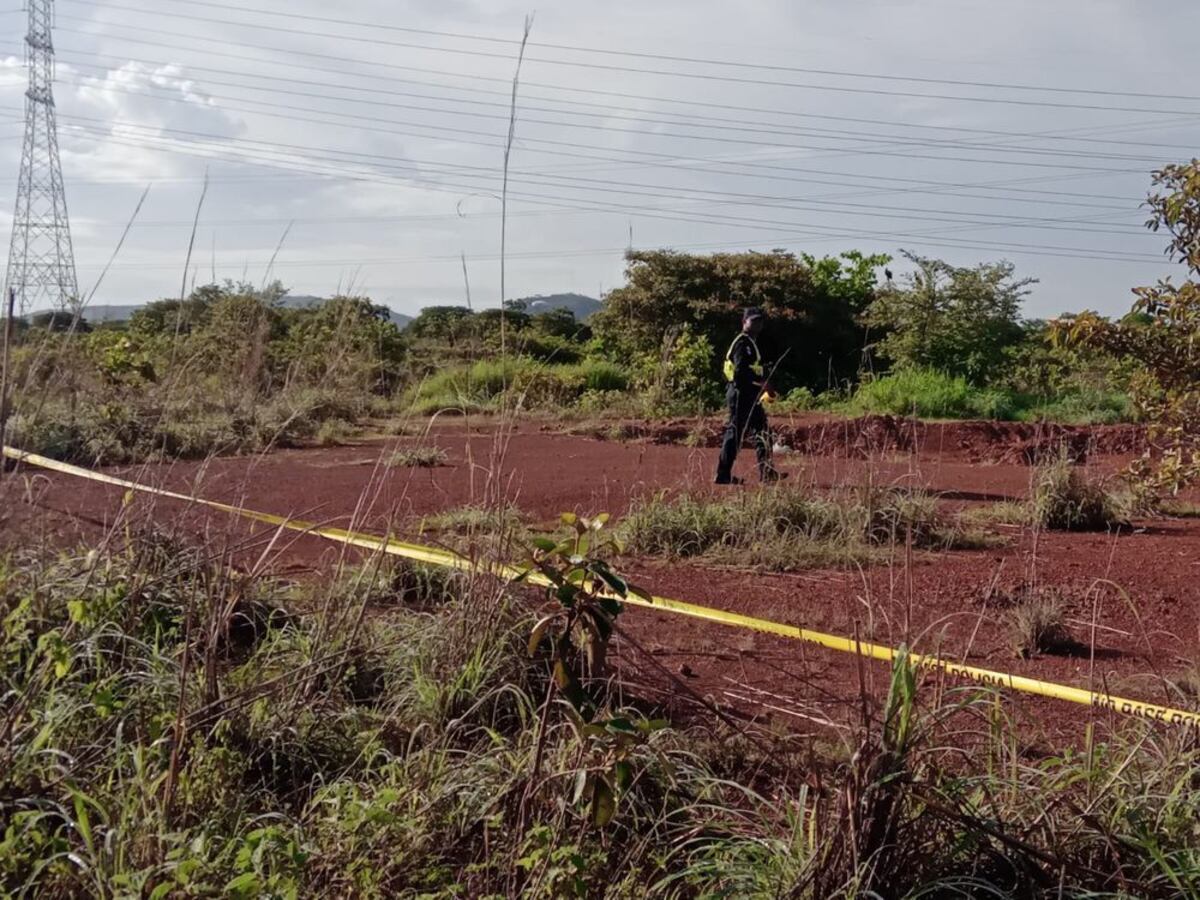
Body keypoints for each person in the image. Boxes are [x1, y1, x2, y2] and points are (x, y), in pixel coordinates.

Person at [715, 308, 783, 485]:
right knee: (735, 433)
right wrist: (763, 383)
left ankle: (767, 472)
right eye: (753, 321)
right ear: (744, 322)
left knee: (762, 432)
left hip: (750, 395)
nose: (757, 324)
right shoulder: (742, 343)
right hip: (740, 393)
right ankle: (722, 475)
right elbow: (740, 372)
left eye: (760, 320)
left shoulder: (751, 343)